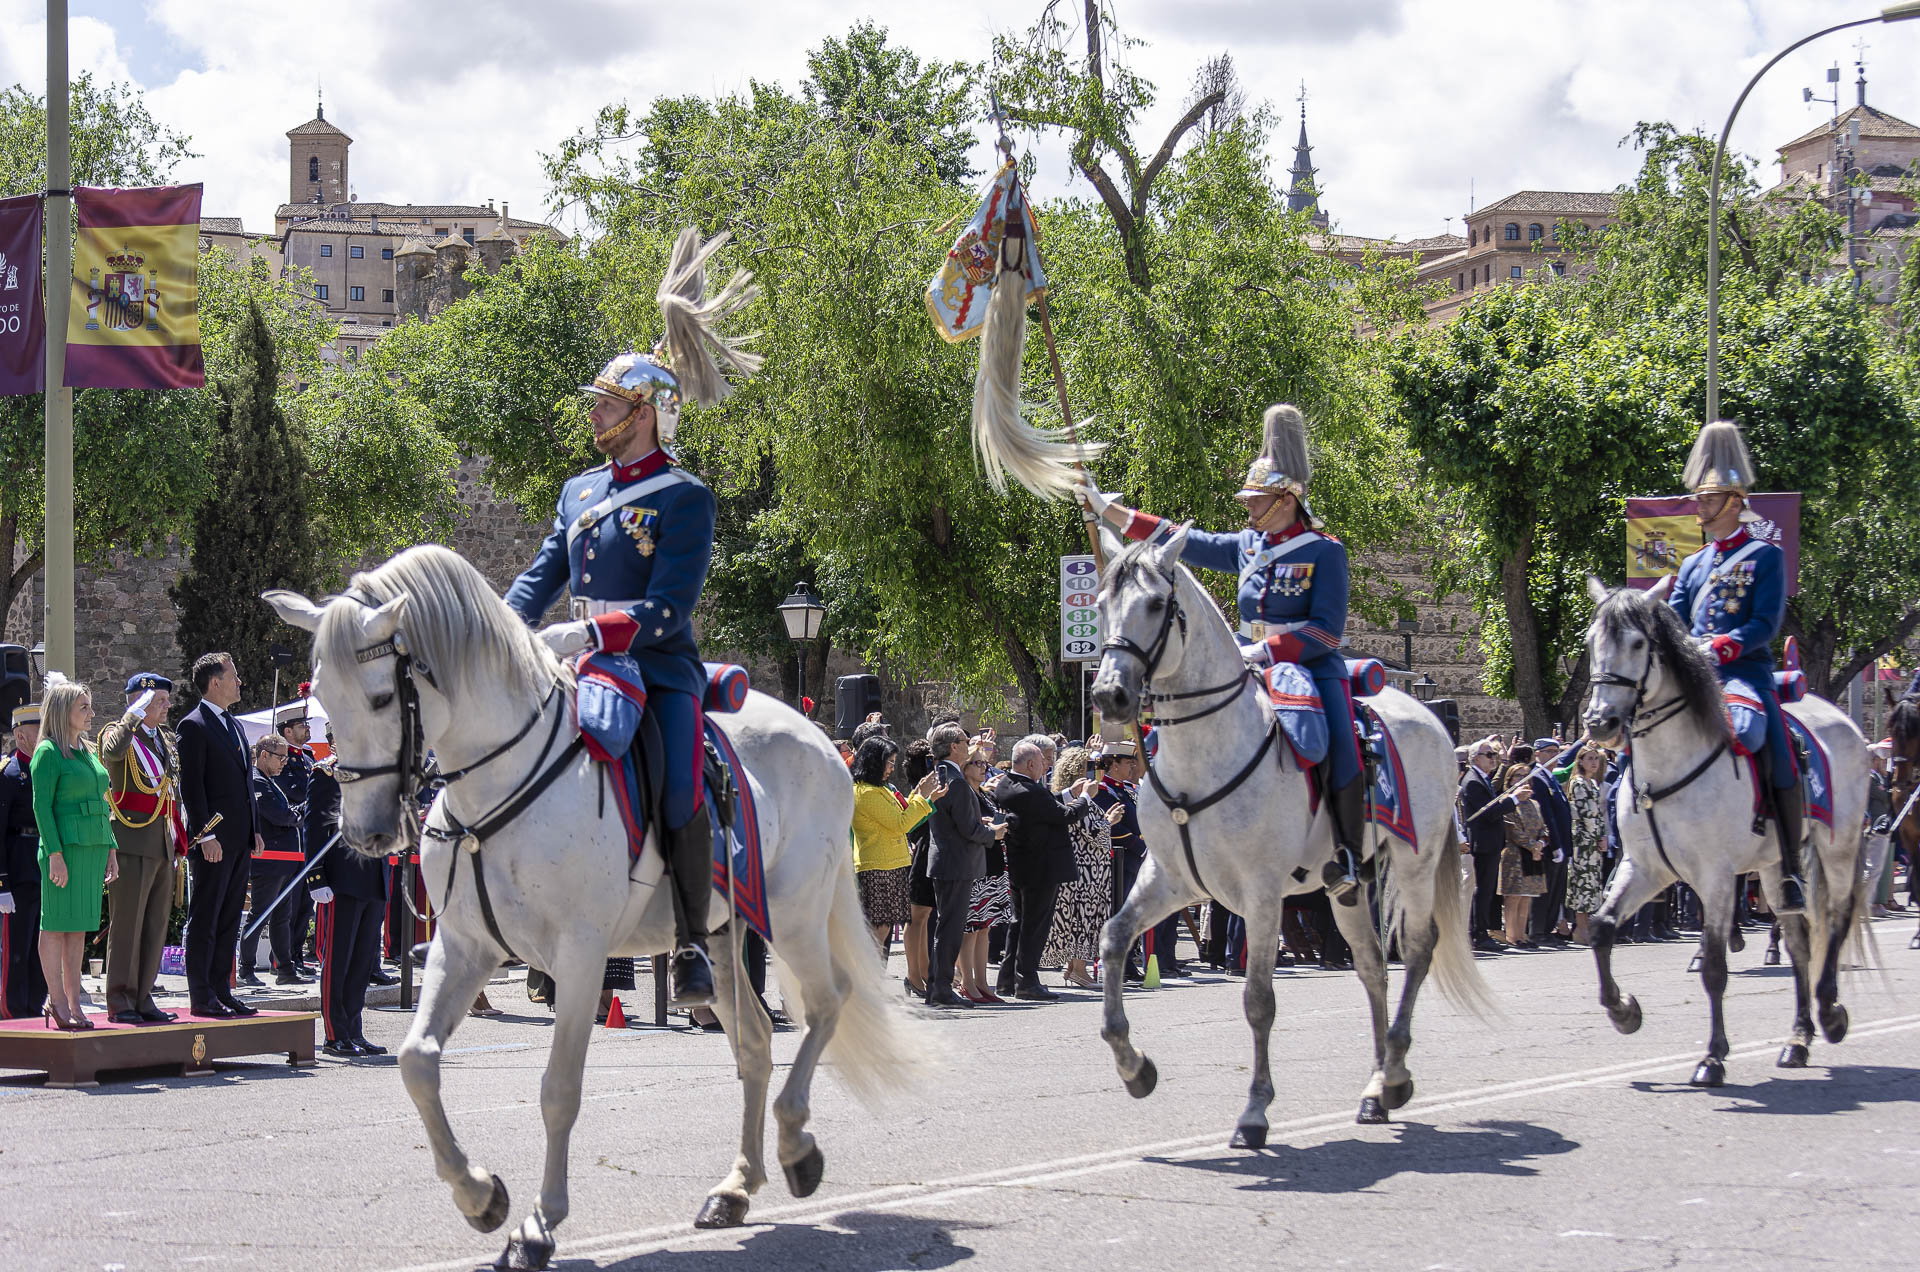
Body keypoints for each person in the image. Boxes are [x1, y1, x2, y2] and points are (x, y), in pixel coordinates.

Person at [503, 231, 759, 1009]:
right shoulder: (579, 492)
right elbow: (540, 573)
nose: (596, 413)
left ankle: (689, 940)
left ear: (645, 413)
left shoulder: (686, 496)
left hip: (657, 666)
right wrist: (503, 627)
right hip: (577, 666)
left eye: (609, 403)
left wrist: (590, 633)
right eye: (598, 402)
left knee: (677, 787)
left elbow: (670, 607)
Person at [1080, 404, 1366, 903]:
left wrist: (1266, 649)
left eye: (1258, 501)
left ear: (1286, 499)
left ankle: (1346, 853)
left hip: (1309, 667)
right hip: (1246, 661)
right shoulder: (1249, 546)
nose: (1249, 509)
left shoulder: (1325, 551)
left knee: (1340, 743)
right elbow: (1178, 539)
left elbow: (1326, 632)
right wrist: (1109, 511)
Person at [1666, 420, 1804, 914]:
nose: (1698, 508)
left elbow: (1766, 622)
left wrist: (1724, 646)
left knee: (1776, 749)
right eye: (1699, 500)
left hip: (1745, 674)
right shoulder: (1692, 565)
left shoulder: (1765, 556)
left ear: (1734, 501)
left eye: (1708, 500)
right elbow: (1677, 622)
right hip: (1697, 678)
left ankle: (1789, 867)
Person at [177, 651, 264, 1019]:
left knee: (230, 917)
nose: (240, 681)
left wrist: (254, 829)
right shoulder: (194, 725)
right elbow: (192, 787)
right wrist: (203, 835)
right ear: (215, 682)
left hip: (239, 838)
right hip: (212, 841)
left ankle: (222, 989)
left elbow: (245, 783)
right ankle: (202, 994)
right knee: (207, 916)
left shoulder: (235, 725)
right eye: (234, 675)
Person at [30, 676, 117, 1030]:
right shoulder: (48, 752)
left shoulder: (86, 751)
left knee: (78, 928)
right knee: (55, 925)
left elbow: (101, 802)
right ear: (64, 711)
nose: (92, 713)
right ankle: (57, 1000)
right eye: (84, 707)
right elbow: (42, 807)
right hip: (64, 849)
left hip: (92, 848)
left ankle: (73, 1002)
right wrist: (54, 854)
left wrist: (110, 847)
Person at [99, 674, 183, 1024]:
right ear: (139, 702)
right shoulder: (118, 732)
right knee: (127, 924)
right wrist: (131, 716)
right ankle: (120, 1000)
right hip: (131, 841)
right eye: (159, 701)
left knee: (154, 925)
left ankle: (144, 995)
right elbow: (111, 752)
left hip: (161, 842)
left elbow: (171, 788)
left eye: (165, 701)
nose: (166, 707)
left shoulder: (162, 738)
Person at [306, 727, 390, 1056]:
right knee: (337, 959)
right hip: (340, 879)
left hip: (372, 877)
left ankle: (354, 1029)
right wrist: (316, 877)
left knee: (362, 962)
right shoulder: (326, 774)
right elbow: (314, 828)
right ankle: (334, 1033)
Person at [924, 723, 999, 1008]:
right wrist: (993, 833)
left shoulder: (942, 775)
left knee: (948, 928)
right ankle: (941, 988)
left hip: (948, 861)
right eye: (965, 741)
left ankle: (938, 986)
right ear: (954, 746)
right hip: (955, 862)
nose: (969, 745)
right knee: (950, 929)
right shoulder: (953, 779)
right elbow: (967, 827)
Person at [1041, 746, 1124, 988]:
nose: (1093, 772)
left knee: (1084, 919)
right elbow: (1094, 833)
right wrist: (1109, 821)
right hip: (1084, 871)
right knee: (1082, 920)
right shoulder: (1077, 800)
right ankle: (1079, 969)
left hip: (1091, 869)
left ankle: (1074, 969)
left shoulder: (1077, 799)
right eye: (1088, 767)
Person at [849, 737, 941, 951]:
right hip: (878, 866)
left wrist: (920, 794)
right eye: (889, 762)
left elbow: (900, 813)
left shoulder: (879, 789)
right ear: (875, 761)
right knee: (878, 930)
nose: (891, 768)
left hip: (889, 864)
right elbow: (901, 823)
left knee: (883, 929)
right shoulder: (867, 792)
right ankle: (868, 978)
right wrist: (923, 797)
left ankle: (871, 977)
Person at [242, 735, 308, 985]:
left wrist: (296, 813)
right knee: (260, 914)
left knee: (282, 917)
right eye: (280, 757)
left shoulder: (271, 782)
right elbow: (280, 816)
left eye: (286, 757)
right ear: (263, 754)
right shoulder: (258, 782)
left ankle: (285, 969)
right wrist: (302, 811)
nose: (284, 762)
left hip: (284, 862)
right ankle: (246, 968)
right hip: (269, 863)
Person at [0, 703, 47, 1020]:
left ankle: (35, 1005)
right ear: (20, 735)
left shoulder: (47, 768)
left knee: (40, 947)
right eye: (38, 731)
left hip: (44, 867)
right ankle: (13, 1010)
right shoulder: (9, 773)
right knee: (16, 950)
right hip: (17, 872)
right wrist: (1, 883)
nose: (44, 735)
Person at [1093, 737, 1151, 981]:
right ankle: (1118, 963)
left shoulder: (1128, 789)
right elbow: (1112, 825)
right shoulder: (1104, 790)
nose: (1132, 766)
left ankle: (1128, 961)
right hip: (1120, 858)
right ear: (1114, 764)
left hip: (1134, 858)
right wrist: (1139, 845)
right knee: (1119, 911)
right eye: (1128, 762)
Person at [959, 745, 1013, 1003]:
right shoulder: (965, 792)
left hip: (992, 865)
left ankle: (981, 982)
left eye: (984, 763)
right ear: (965, 766)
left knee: (984, 929)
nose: (984, 768)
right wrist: (990, 826)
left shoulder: (984, 793)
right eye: (978, 763)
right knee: (970, 930)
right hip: (976, 867)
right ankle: (967, 982)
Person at [274, 702, 318, 976]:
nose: (307, 729)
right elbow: (294, 793)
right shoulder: (284, 758)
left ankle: (297, 956)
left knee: (305, 904)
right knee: (290, 904)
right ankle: (285, 959)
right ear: (287, 731)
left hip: (309, 841)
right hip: (292, 841)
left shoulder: (309, 757)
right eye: (302, 725)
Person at [1458, 737, 1508, 953]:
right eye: (1489, 755)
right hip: (1482, 842)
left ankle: (1481, 931)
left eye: (1494, 755)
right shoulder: (1473, 781)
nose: (1493, 759)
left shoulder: (1483, 779)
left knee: (1487, 889)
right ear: (1475, 758)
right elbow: (1486, 813)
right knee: (1482, 889)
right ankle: (1478, 933)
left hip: (1490, 842)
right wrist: (1513, 801)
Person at [898, 737, 937, 998]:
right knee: (916, 915)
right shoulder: (918, 790)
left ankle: (923, 971)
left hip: (928, 851)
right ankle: (913, 975)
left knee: (924, 916)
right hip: (922, 852)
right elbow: (912, 823)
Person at [1527, 737, 1575, 943]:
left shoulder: (1550, 777)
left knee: (1557, 890)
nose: (1552, 756)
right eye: (1548, 752)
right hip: (1549, 845)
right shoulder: (1537, 777)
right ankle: (1537, 931)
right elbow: (1547, 814)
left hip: (1561, 842)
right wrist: (1555, 844)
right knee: (1544, 891)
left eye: (1556, 752)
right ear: (1537, 754)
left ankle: (1547, 929)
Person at [1562, 743, 1609, 944]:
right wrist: (1597, 836)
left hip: (1594, 841)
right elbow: (1587, 813)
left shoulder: (1594, 784)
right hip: (1582, 841)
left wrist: (1603, 837)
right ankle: (1580, 929)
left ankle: (1587, 927)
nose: (1593, 762)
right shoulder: (1578, 783)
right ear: (1580, 761)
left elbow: (1598, 815)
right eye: (1589, 758)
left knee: (1592, 885)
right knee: (1582, 884)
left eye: (1596, 758)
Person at [1498, 769, 1548, 947]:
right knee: (1514, 896)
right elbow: (1512, 829)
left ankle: (1522, 934)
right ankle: (1512, 935)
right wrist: (1531, 846)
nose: (1522, 779)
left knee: (1527, 896)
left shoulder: (1535, 804)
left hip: (1534, 855)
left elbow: (1544, 828)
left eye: (1525, 775)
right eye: (1518, 776)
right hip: (1515, 854)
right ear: (1510, 780)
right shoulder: (1508, 802)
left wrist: (1540, 844)